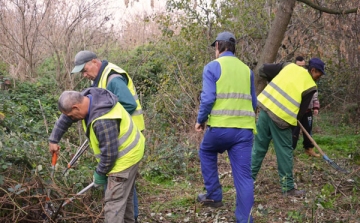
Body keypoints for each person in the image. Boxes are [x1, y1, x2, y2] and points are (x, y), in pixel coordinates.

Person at [49, 50, 144, 222]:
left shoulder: (111, 84)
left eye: (85, 70)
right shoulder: (89, 94)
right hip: (129, 145)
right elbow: (67, 114)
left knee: (114, 201)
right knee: (125, 196)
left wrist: (100, 173)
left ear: (94, 62)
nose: (84, 75)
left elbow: (109, 154)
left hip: (125, 152)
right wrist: (54, 138)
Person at [195, 31, 256, 223]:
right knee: (244, 177)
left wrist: (200, 120)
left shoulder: (212, 67)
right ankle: (244, 219)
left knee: (206, 151)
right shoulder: (247, 70)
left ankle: (213, 195)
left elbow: (208, 98)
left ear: (218, 47)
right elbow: (254, 102)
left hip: (220, 129)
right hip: (245, 131)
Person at [252, 57, 326, 197]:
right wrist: (292, 126)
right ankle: (288, 188)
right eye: (319, 74)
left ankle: (246, 182)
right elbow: (301, 112)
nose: (319, 77)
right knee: (285, 152)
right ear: (313, 70)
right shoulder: (310, 86)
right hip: (281, 119)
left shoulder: (289, 66)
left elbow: (263, 69)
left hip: (265, 109)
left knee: (258, 148)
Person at [292, 56, 320, 157]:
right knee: (294, 132)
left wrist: (315, 106)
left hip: (308, 111)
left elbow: (314, 93)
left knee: (308, 130)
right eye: (299, 66)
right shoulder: (293, 77)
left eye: (303, 66)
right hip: (296, 111)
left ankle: (309, 149)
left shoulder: (310, 78)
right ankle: (290, 150)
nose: (301, 68)